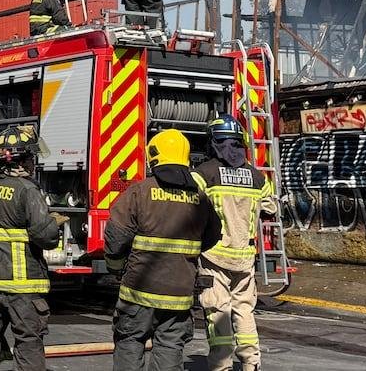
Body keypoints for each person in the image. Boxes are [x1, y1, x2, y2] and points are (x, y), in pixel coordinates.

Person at [105, 129, 221, 371]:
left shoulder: (140, 192)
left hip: (139, 290)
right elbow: (212, 237)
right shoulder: (200, 198)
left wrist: (116, 268)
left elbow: (116, 237)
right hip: (179, 294)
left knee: (129, 341)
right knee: (170, 347)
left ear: (153, 157)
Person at [0, 125, 69, 371]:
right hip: (24, 288)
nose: (33, 164)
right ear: (23, 160)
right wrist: (53, 223)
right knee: (28, 343)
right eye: (31, 158)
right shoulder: (27, 190)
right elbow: (46, 237)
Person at [195, 114, 278, 371]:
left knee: (218, 310)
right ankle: (251, 363)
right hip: (244, 256)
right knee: (244, 310)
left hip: (214, 256)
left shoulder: (203, 174)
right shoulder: (257, 177)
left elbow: (190, 206)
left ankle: (221, 365)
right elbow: (270, 207)